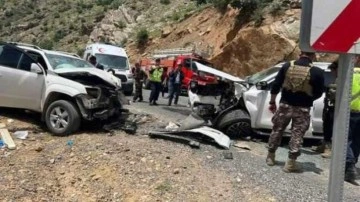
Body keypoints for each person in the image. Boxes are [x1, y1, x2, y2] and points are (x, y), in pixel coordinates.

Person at [266, 51, 325, 173]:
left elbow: (276, 85)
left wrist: (272, 102)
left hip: (285, 105)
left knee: (277, 130)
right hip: (303, 108)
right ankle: (290, 164)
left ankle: (270, 157)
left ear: (300, 53)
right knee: (297, 135)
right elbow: (319, 92)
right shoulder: (317, 71)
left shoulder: (287, 66)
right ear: (313, 56)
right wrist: (309, 99)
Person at [312, 60, 338, 158]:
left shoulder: (342, 79)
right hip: (330, 106)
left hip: (336, 108)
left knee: (331, 128)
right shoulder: (336, 79)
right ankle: (324, 144)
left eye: (333, 70)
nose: (332, 72)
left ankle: (329, 148)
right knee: (326, 125)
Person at [344, 56, 360, 185]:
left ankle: (349, 166)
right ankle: (352, 165)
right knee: (356, 140)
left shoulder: (349, 73)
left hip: (349, 112)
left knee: (346, 139)